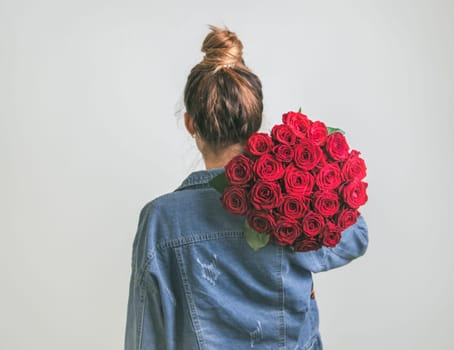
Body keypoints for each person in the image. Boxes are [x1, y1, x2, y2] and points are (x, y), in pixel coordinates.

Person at [124, 25, 368, 350]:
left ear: (190, 123)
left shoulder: (161, 221)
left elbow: (147, 337)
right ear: (256, 121)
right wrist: (309, 178)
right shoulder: (289, 202)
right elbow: (355, 237)